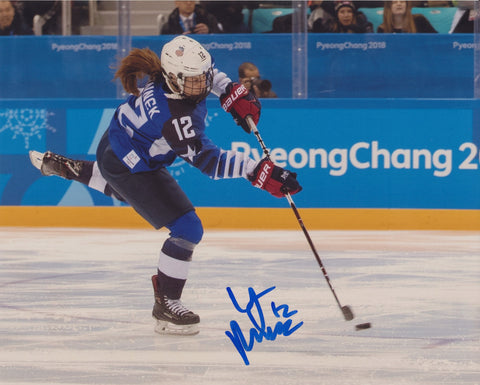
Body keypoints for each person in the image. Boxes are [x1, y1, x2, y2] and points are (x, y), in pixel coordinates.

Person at [29, 35, 301, 336]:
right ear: (174, 79)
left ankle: (72, 169)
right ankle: (167, 303)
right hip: (127, 162)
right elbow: (210, 162)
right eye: (194, 81)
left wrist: (231, 92)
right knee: (188, 228)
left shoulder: (177, 77)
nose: (202, 85)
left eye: (203, 79)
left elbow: (209, 74)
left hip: (118, 147)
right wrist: (258, 172)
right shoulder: (173, 116)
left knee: (135, 195)